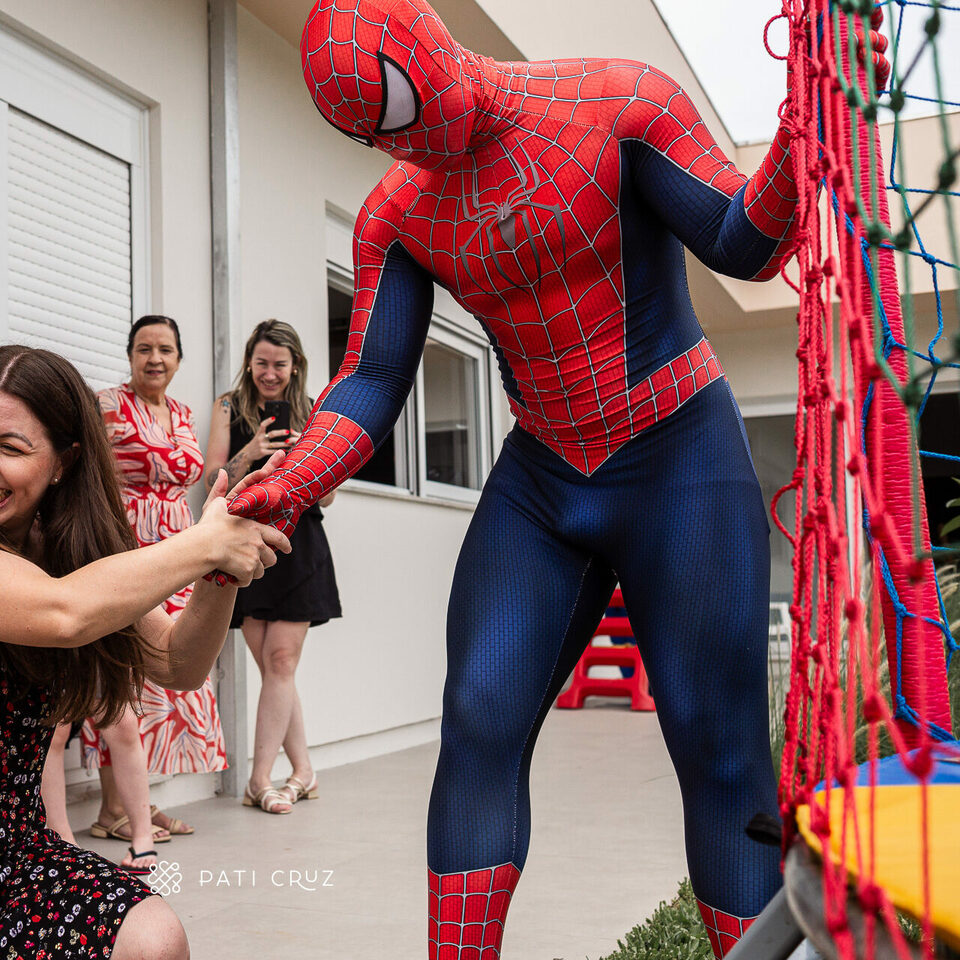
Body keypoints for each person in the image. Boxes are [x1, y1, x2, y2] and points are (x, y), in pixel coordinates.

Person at [230, 2, 892, 956]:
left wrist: (804, 118)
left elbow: (744, 240)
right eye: (372, 134)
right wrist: (289, 481)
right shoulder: (399, 210)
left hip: (680, 447)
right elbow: (372, 379)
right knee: (479, 719)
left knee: (720, 742)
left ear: (432, 52)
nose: (400, 143)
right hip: (544, 473)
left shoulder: (616, 101)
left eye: (400, 110)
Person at [0, 344, 288, 960]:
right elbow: (61, 613)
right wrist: (204, 542)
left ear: (64, 462)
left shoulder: (69, 553)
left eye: (10, 447)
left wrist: (222, 570)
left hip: (16, 851)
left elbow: (179, 664)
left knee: (156, 938)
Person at [46, 316, 224, 874]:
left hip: (177, 549)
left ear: (178, 358)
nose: (155, 358)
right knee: (120, 678)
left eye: (165, 349)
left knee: (168, 684)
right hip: (126, 547)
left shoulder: (183, 414)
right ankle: (117, 808)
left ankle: (131, 803)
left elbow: (190, 477)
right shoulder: (107, 406)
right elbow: (85, 470)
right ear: (129, 355)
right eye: (144, 348)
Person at [205, 320, 342, 815]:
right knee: (273, 669)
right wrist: (253, 451)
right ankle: (303, 771)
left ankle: (257, 779)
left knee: (281, 663)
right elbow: (211, 479)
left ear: (295, 366)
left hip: (298, 545)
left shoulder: (315, 411)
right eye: (261, 362)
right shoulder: (227, 405)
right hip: (248, 541)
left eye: (279, 364)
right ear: (249, 362)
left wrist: (306, 450)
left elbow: (326, 492)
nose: (269, 373)